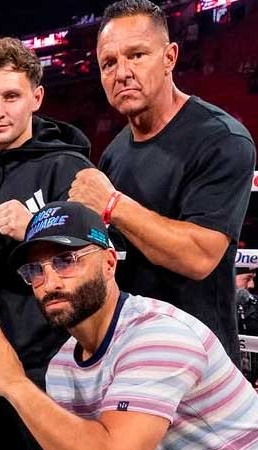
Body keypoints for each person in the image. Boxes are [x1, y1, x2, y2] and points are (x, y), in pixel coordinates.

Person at [0, 201, 258, 450]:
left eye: (65, 261)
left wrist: (16, 385)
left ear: (109, 264)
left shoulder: (158, 335)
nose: (49, 283)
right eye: (35, 270)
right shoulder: (62, 366)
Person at [68, 0, 256, 364]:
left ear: (170, 57)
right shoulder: (115, 153)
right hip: (132, 351)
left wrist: (112, 204)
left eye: (136, 55)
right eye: (109, 63)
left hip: (200, 357)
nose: (122, 72)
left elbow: (200, 256)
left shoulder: (222, 139)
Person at [0, 36, 94, 450]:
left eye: (11, 96)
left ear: (36, 98)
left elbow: (97, 262)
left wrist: (36, 227)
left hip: (51, 365)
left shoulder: (69, 167)